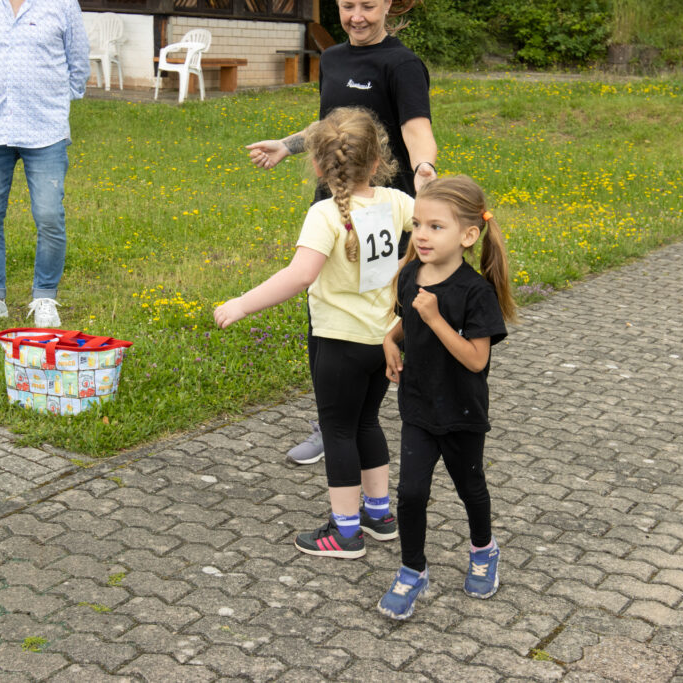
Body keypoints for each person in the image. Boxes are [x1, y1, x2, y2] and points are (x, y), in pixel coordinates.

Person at [246, 0, 438, 465]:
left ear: (387, 4)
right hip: (333, 204)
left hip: (381, 207)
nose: (356, 16)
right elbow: (328, 125)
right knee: (324, 307)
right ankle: (331, 422)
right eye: (348, 5)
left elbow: (416, 129)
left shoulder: (403, 64)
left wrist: (426, 170)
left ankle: (356, 422)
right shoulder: (332, 59)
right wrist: (289, 146)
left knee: (375, 306)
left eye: (368, 6)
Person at [215, 107, 413, 558]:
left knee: (338, 430)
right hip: (383, 342)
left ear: (319, 166)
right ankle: (379, 515)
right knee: (366, 423)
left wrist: (240, 304)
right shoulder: (397, 202)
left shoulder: (326, 214)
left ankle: (345, 532)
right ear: (380, 161)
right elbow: (427, 228)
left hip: (339, 344)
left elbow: (299, 275)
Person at [376, 175, 517, 619]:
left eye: (436, 227)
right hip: (418, 406)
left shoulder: (476, 292)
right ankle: (412, 569)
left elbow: (476, 360)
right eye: (418, 224)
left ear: (468, 235)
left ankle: (483, 550)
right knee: (410, 494)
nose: (421, 234)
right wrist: (390, 339)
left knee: (470, 487)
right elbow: (409, 320)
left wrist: (437, 320)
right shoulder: (411, 273)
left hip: (461, 411)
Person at [0, 0, 90, 328]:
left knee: (49, 217)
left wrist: (56, 101)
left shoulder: (62, 4)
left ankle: (44, 297)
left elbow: (78, 61)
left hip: (45, 129)